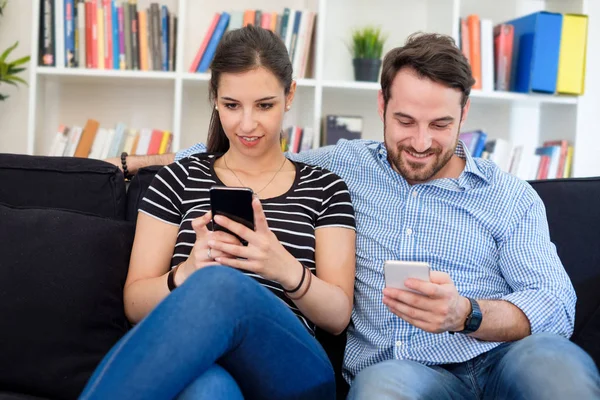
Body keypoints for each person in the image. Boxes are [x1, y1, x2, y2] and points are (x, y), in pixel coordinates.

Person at [113, 32, 600, 399]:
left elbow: (556, 303)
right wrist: (130, 164)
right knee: (380, 390)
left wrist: (467, 313)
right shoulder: (342, 167)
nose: (421, 141)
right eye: (405, 120)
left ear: (465, 113)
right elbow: (246, 146)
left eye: (441, 124)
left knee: (555, 369)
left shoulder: (507, 195)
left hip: (502, 357)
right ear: (381, 104)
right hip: (400, 372)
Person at [82, 25, 356, 400]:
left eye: (264, 105)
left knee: (220, 285)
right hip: (206, 363)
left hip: (293, 373)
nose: (247, 124)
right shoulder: (178, 179)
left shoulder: (325, 189)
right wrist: (187, 272)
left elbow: (339, 316)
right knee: (209, 389)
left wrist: (282, 267)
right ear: (214, 98)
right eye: (232, 105)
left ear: (289, 95)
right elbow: (134, 304)